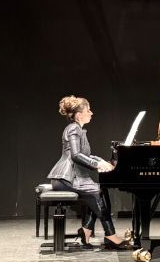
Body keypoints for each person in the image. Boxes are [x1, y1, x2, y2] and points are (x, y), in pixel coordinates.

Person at [47, 95, 132, 250]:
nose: (91, 113)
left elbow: (85, 155)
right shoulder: (74, 129)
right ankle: (110, 235)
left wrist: (101, 161)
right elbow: (76, 155)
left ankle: (86, 230)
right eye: (88, 110)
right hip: (66, 178)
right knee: (98, 192)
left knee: (101, 190)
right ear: (80, 115)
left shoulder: (78, 130)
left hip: (72, 177)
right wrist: (97, 164)